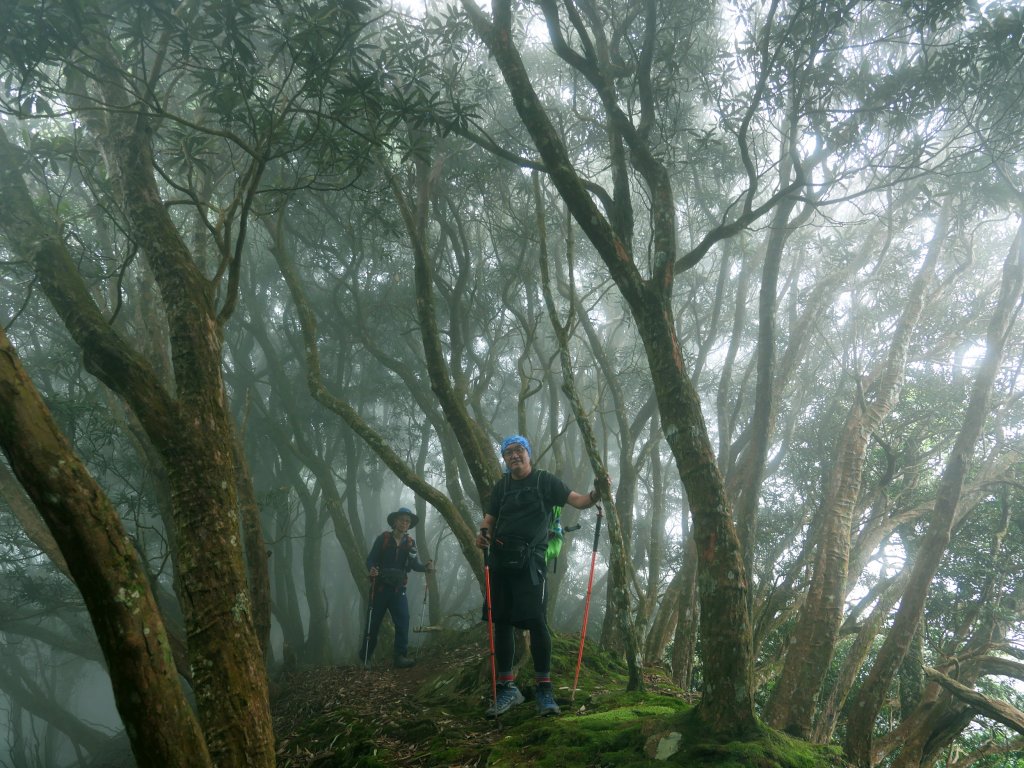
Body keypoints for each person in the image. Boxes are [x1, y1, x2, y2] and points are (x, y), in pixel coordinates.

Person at [476, 435, 604, 717]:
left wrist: (596, 494)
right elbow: (489, 518)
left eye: (518, 450)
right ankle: (507, 688)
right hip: (501, 560)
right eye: (508, 453)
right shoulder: (502, 487)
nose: (513, 456)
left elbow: (579, 501)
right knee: (502, 623)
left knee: (536, 623)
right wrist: (483, 533)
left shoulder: (546, 482)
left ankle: (544, 690)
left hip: (532, 563)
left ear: (528, 453)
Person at [361, 507, 433, 669]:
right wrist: (371, 569)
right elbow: (370, 560)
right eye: (402, 520)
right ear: (395, 522)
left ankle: (400, 657)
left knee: (403, 620)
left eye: (407, 521)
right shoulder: (383, 539)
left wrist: (425, 567)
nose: (404, 523)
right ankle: (366, 657)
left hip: (398, 590)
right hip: (379, 589)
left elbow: (414, 565)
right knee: (373, 623)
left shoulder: (410, 543)